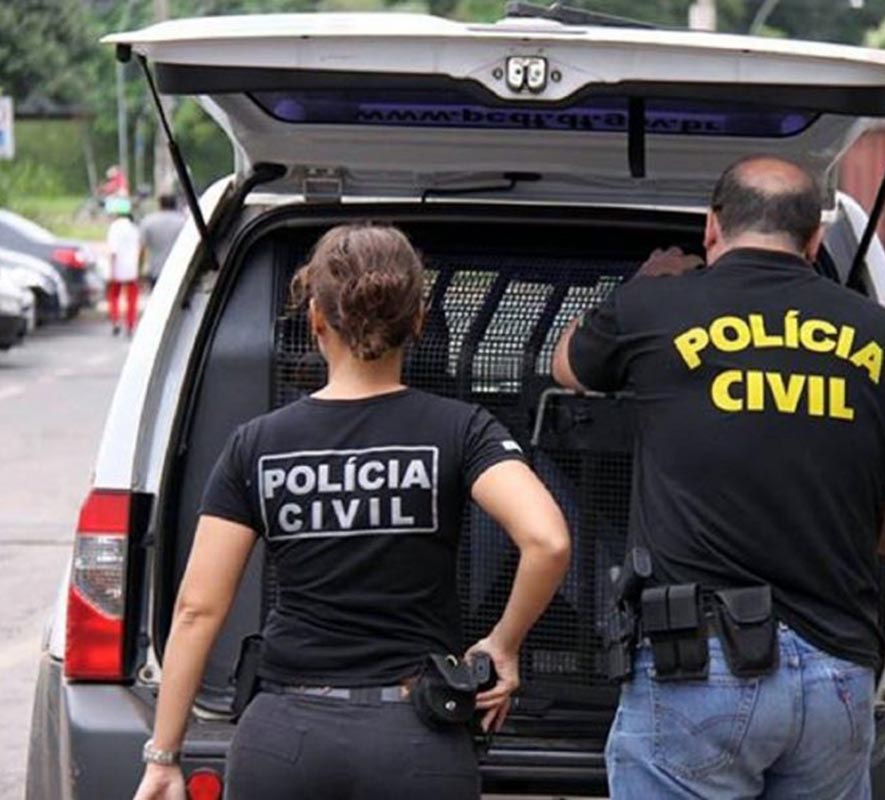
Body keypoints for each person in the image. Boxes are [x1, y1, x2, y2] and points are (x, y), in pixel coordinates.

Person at [552, 155, 885, 799]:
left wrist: (641, 283)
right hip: (836, 672)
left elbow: (567, 368)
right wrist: (850, 530)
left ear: (711, 227)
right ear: (814, 241)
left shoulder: (651, 306)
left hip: (696, 665)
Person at [132, 223, 571, 800]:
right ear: (418, 321)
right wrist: (503, 644)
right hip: (415, 742)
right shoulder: (461, 428)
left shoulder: (256, 445)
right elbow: (548, 541)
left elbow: (197, 611)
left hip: (283, 741)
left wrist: (164, 756)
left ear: (316, 319)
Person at [105, 196, 141, 337]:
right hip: (132, 269)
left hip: (117, 268)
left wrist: (111, 271)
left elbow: (113, 251)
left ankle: (116, 321)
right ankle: (130, 324)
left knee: (114, 296)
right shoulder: (133, 228)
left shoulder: (114, 228)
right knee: (132, 299)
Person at [139, 194, 184, 288]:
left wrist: (139, 269)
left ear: (160, 205)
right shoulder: (183, 222)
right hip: (179, 270)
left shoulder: (148, 221)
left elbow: (142, 248)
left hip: (156, 270)